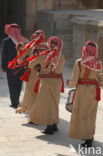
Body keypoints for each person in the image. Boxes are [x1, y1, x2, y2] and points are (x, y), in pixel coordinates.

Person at [66, 41, 103, 147]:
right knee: (90, 114)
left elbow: (74, 80)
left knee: (82, 114)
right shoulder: (98, 62)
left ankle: (86, 137)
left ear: (85, 49)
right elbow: (101, 80)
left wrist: (69, 83)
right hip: (93, 91)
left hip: (82, 91)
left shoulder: (79, 62)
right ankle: (89, 136)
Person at [28, 36, 65, 134]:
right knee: (54, 103)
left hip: (46, 82)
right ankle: (54, 124)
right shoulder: (62, 57)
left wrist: (38, 65)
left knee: (46, 104)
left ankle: (49, 128)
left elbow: (30, 64)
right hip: (57, 82)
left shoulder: (44, 55)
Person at [16, 30, 48, 115]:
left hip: (32, 72)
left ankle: (32, 111)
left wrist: (19, 53)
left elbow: (20, 59)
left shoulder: (29, 46)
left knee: (30, 92)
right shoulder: (49, 46)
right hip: (45, 73)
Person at [1, 23, 27, 108]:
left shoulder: (6, 41)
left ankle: (14, 103)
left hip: (11, 67)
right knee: (19, 84)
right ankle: (17, 100)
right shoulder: (24, 40)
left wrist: (3, 67)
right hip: (21, 66)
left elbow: (4, 55)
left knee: (12, 85)